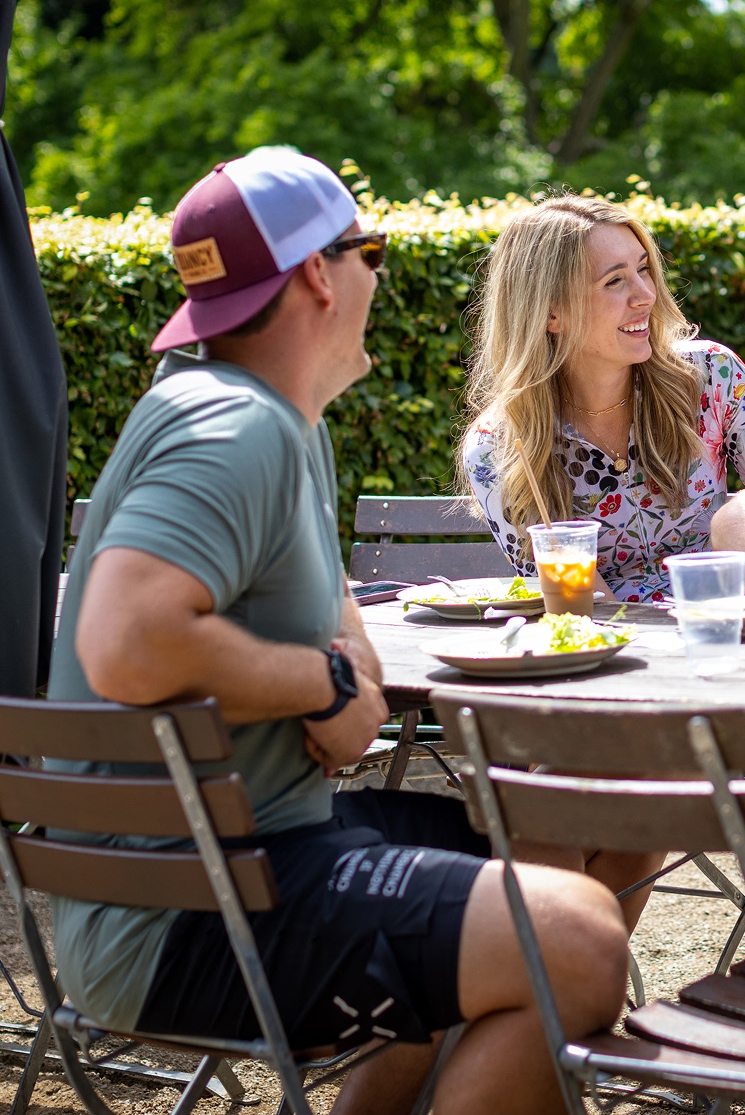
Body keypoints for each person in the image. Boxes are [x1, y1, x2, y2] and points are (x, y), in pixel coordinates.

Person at [51, 149, 628, 1115]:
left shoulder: (279, 423)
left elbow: (359, 702)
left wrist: (331, 684)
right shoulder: (235, 429)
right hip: (190, 907)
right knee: (575, 941)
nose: (379, 276)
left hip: (231, 858)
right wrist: (314, 683)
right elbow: (127, 638)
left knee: (545, 837)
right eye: (375, 250)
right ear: (319, 272)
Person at [460, 193, 745, 603]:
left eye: (643, 270)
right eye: (615, 281)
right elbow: (582, 609)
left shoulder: (713, 376)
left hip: (743, 620)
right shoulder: (498, 448)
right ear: (551, 313)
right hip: (622, 647)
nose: (646, 295)